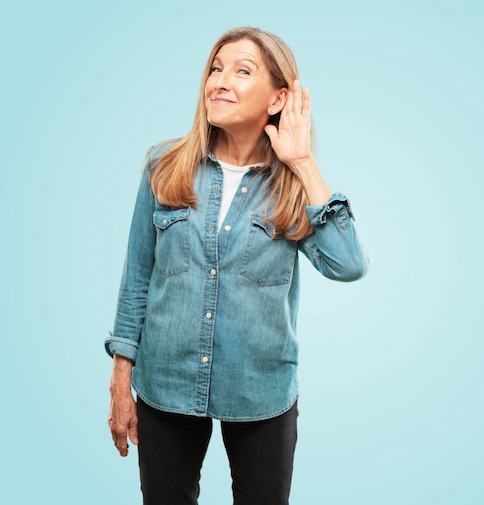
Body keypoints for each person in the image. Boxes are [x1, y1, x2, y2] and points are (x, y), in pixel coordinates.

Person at [105, 26, 369, 505]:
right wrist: (122, 378)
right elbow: (136, 278)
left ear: (277, 98)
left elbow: (348, 266)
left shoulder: (292, 187)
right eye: (216, 68)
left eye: (242, 71)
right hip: (165, 384)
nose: (219, 81)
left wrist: (304, 162)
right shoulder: (164, 167)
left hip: (260, 394)